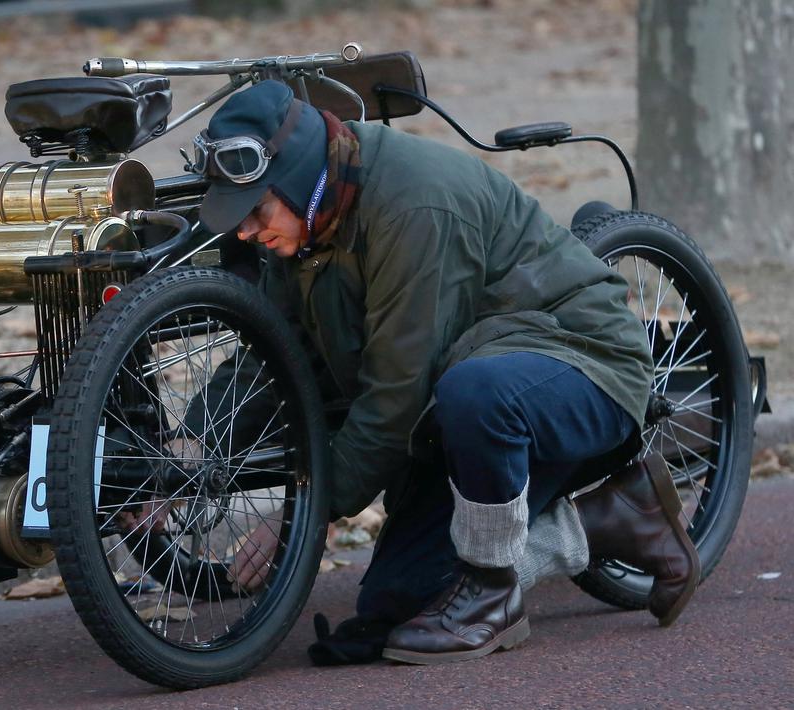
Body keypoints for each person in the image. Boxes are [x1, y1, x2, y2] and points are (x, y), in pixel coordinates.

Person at [187, 79, 700, 666]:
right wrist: (194, 443)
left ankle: (491, 592)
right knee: (398, 604)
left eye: (254, 210)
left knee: (475, 393)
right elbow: (272, 356)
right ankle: (618, 516)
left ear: (300, 177)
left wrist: (303, 512)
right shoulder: (308, 222)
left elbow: (397, 395)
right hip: (471, 401)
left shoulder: (413, 206)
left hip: (581, 364)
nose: (247, 232)